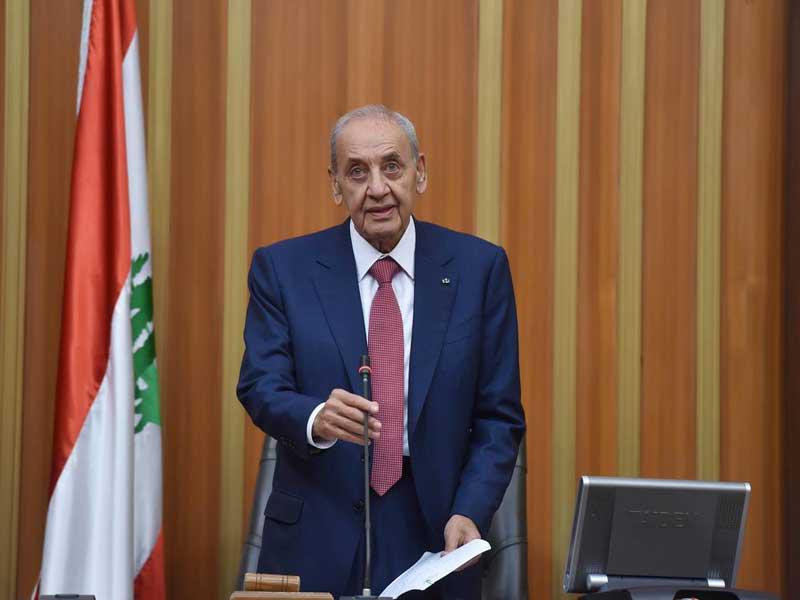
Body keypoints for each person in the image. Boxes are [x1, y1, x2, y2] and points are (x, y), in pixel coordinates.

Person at [237, 105, 525, 599]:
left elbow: (498, 416)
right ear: (335, 185)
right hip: (318, 527)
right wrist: (316, 418)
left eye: (392, 166)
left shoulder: (479, 269)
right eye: (356, 171)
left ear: (420, 172)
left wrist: (470, 509)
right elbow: (260, 386)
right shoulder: (283, 269)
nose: (377, 188)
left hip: (436, 530)